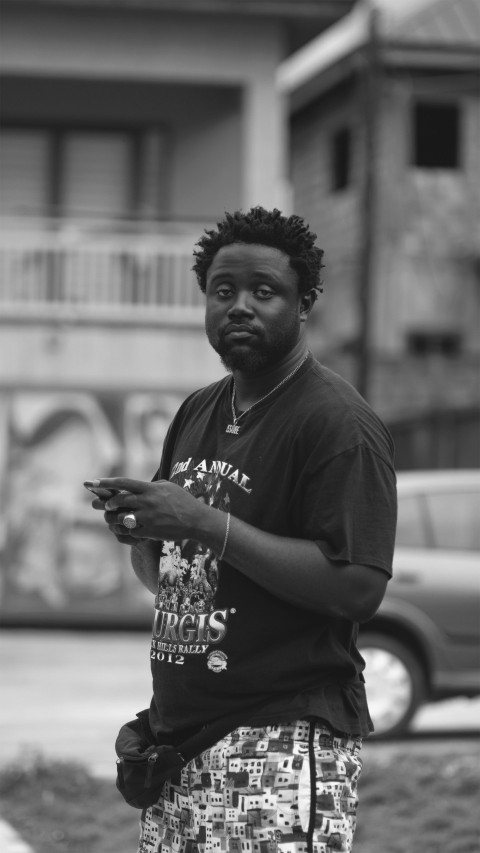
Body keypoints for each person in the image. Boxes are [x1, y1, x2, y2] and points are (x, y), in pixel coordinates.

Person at [90, 206, 397, 853]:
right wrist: (142, 531)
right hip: (178, 743)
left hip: (280, 740)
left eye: (264, 291)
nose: (239, 307)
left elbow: (359, 588)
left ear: (304, 303)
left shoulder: (337, 423)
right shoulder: (198, 410)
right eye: (223, 290)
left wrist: (202, 521)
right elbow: (172, 578)